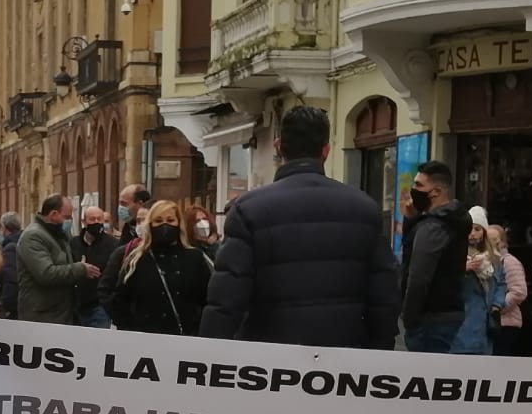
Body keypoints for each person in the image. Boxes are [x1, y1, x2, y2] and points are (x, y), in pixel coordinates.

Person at [199, 105, 400, 348]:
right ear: (326, 151)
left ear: (278, 146)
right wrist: (382, 353)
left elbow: (227, 297)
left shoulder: (248, 209)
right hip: (344, 353)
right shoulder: (364, 208)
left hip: (270, 356)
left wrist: (208, 355)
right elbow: (383, 295)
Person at [109, 199, 211, 334]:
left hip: (186, 337)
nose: (165, 225)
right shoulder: (137, 260)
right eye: (158, 221)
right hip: (146, 338)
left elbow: (208, 299)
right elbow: (119, 301)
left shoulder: (195, 258)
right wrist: (130, 330)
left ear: (179, 224)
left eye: (170, 220)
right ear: (150, 225)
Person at [399, 161, 471, 353]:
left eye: (419, 185)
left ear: (436, 192)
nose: (414, 190)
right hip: (447, 312)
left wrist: (409, 318)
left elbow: (418, 275)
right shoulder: (451, 219)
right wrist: (413, 219)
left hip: (429, 318)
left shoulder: (433, 226)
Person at [17, 195, 98, 325]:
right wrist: (80, 269)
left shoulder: (59, 235)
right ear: (54, 214)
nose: (70, 221)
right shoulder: (33, 236)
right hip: (43, 316)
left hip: (62, 312)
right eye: (67, 217)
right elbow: (46, 273)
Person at [452, 206, 493, 355]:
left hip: (485, 325)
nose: (473, 234)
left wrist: (497, 305)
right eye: (470, 229)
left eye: (477, 229)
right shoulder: (454, 254)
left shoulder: (492, 257)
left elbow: (500, 283)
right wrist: (463, 268)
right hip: (462, 323)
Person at [73, 205, 119, 327]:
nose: (96, 222)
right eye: (92, 219)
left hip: (99, 306)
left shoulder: (113, 244)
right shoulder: (73, 243)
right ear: (83, 221)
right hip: (76, 305)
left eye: (99, 219)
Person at [487, 225, 529, 356]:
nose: (492, 243)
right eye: (488, 239)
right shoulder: (486, 261)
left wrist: (497, 307)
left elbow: (518, 291)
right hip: (490, 323)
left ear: (502, 241)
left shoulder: (509, 262)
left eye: (495, 239)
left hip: (506, 324)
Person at [0, 212, 23, 317]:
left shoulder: (10, 248)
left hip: (13, 308)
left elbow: (10, 279)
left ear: (5, 228)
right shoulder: (23, 241)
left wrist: (5, 306)